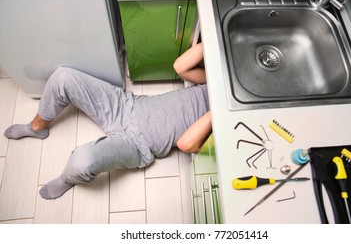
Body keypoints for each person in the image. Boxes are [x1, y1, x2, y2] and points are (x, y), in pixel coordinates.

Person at [4, 43, 211, 200]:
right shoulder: (212, 83)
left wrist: (218, 109)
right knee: (63, 78)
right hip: (127, 106)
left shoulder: (221, 120)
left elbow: (187, 144)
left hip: (136, 145)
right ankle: (36, 127)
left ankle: (67, 179)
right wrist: (212, 37)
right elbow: (180, 66)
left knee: (82, 161)